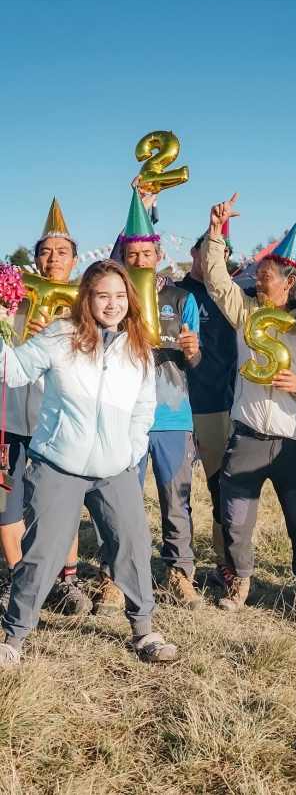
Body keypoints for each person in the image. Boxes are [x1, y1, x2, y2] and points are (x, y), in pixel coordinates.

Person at [0, 260, 177, 664]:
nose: (112, 304)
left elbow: (144, 408)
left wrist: (130, 451)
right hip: (58, 464)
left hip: (115, 469)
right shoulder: (62, 335)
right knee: (42, 551)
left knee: (132, 545)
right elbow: (13, 370)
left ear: (129, 299)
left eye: (119, 295)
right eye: (102, 296)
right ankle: (13, 638)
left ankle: (145, 631)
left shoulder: (139, 349)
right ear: (87, 298)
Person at [201, 194, 296, 612]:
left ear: (288, 281)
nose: (257, 282)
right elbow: (216, 280)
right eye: (257, 275)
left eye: (264, 277)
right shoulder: (246, 313)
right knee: (235, 519)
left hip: (294, 441)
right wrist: (216, 231)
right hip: (247, 437)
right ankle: (239, 581)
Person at [97, 187, 204, 614]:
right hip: (123, 418)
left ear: (158, 254)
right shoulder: (112, 300)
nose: (139, 260)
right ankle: (113, 578)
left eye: (146, 253)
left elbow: (195, 363)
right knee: (119, 500)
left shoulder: (181, 298)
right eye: (131, 253)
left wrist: (193, 350)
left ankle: (180, 574)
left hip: (173, 417)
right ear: (121, 256)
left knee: (175, 500)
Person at [0, 199, 92, 616]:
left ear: (75, 260)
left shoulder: (87, 308)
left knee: (61, 503)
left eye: (62, 252)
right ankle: (20, 581)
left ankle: (66, 579)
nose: (52, 259)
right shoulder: (14, 301)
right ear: (35, 258)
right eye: (45, 251)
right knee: (7, 502)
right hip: (12, 418)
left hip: (59, 422)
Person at [176, 229, 237, 581]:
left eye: (223, 253)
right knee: (175, 491)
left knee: (220, 487)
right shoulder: (172, 292)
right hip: (173, 404)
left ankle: (223, 562)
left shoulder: (233, 296)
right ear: (195, 251)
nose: (214, 259)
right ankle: (180, 563)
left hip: (217, 404)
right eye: (208, 251)